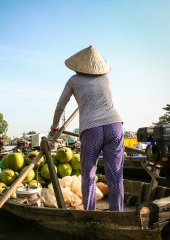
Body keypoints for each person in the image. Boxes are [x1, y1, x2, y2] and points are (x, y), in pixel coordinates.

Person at [50, 45, 124, 211]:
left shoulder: (74, 80)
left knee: (89, 175)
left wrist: (55, 126)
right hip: (114, 126)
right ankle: (117, 213)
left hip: (92, 130)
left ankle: (90, 213)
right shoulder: (106, 77)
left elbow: (60, 105)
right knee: (115, 175)